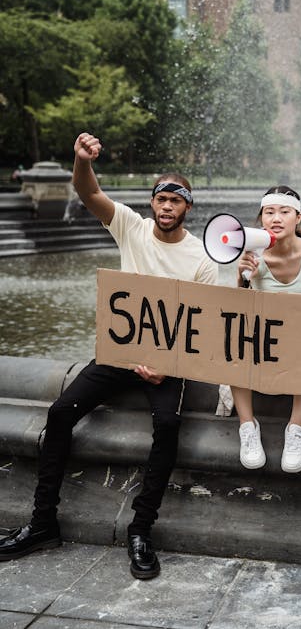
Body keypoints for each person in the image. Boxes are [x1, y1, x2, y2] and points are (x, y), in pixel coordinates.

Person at [0, 132, 217, 579]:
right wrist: (81, 159)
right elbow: (88, 191)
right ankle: (43, 523)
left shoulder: (202, 258)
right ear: (152, 202)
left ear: (187, 209)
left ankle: (141, 529)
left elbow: (204, 328)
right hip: (120, 354)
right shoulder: (131, 227)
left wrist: (167, 366)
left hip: (167, 364)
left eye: (176, 201)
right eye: (161, 198)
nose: (166, 207)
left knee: (169, 424)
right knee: (60, 413)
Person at [218, 185, 301, 474]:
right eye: (269, 212)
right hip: (262, 341)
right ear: (261, 218)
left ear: (298, 218)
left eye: (284, 212)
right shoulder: (253, 256)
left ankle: (296, 427)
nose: (276, 218)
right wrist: (245, 279)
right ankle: (247, 426)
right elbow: (238, 310)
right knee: (233, 341)